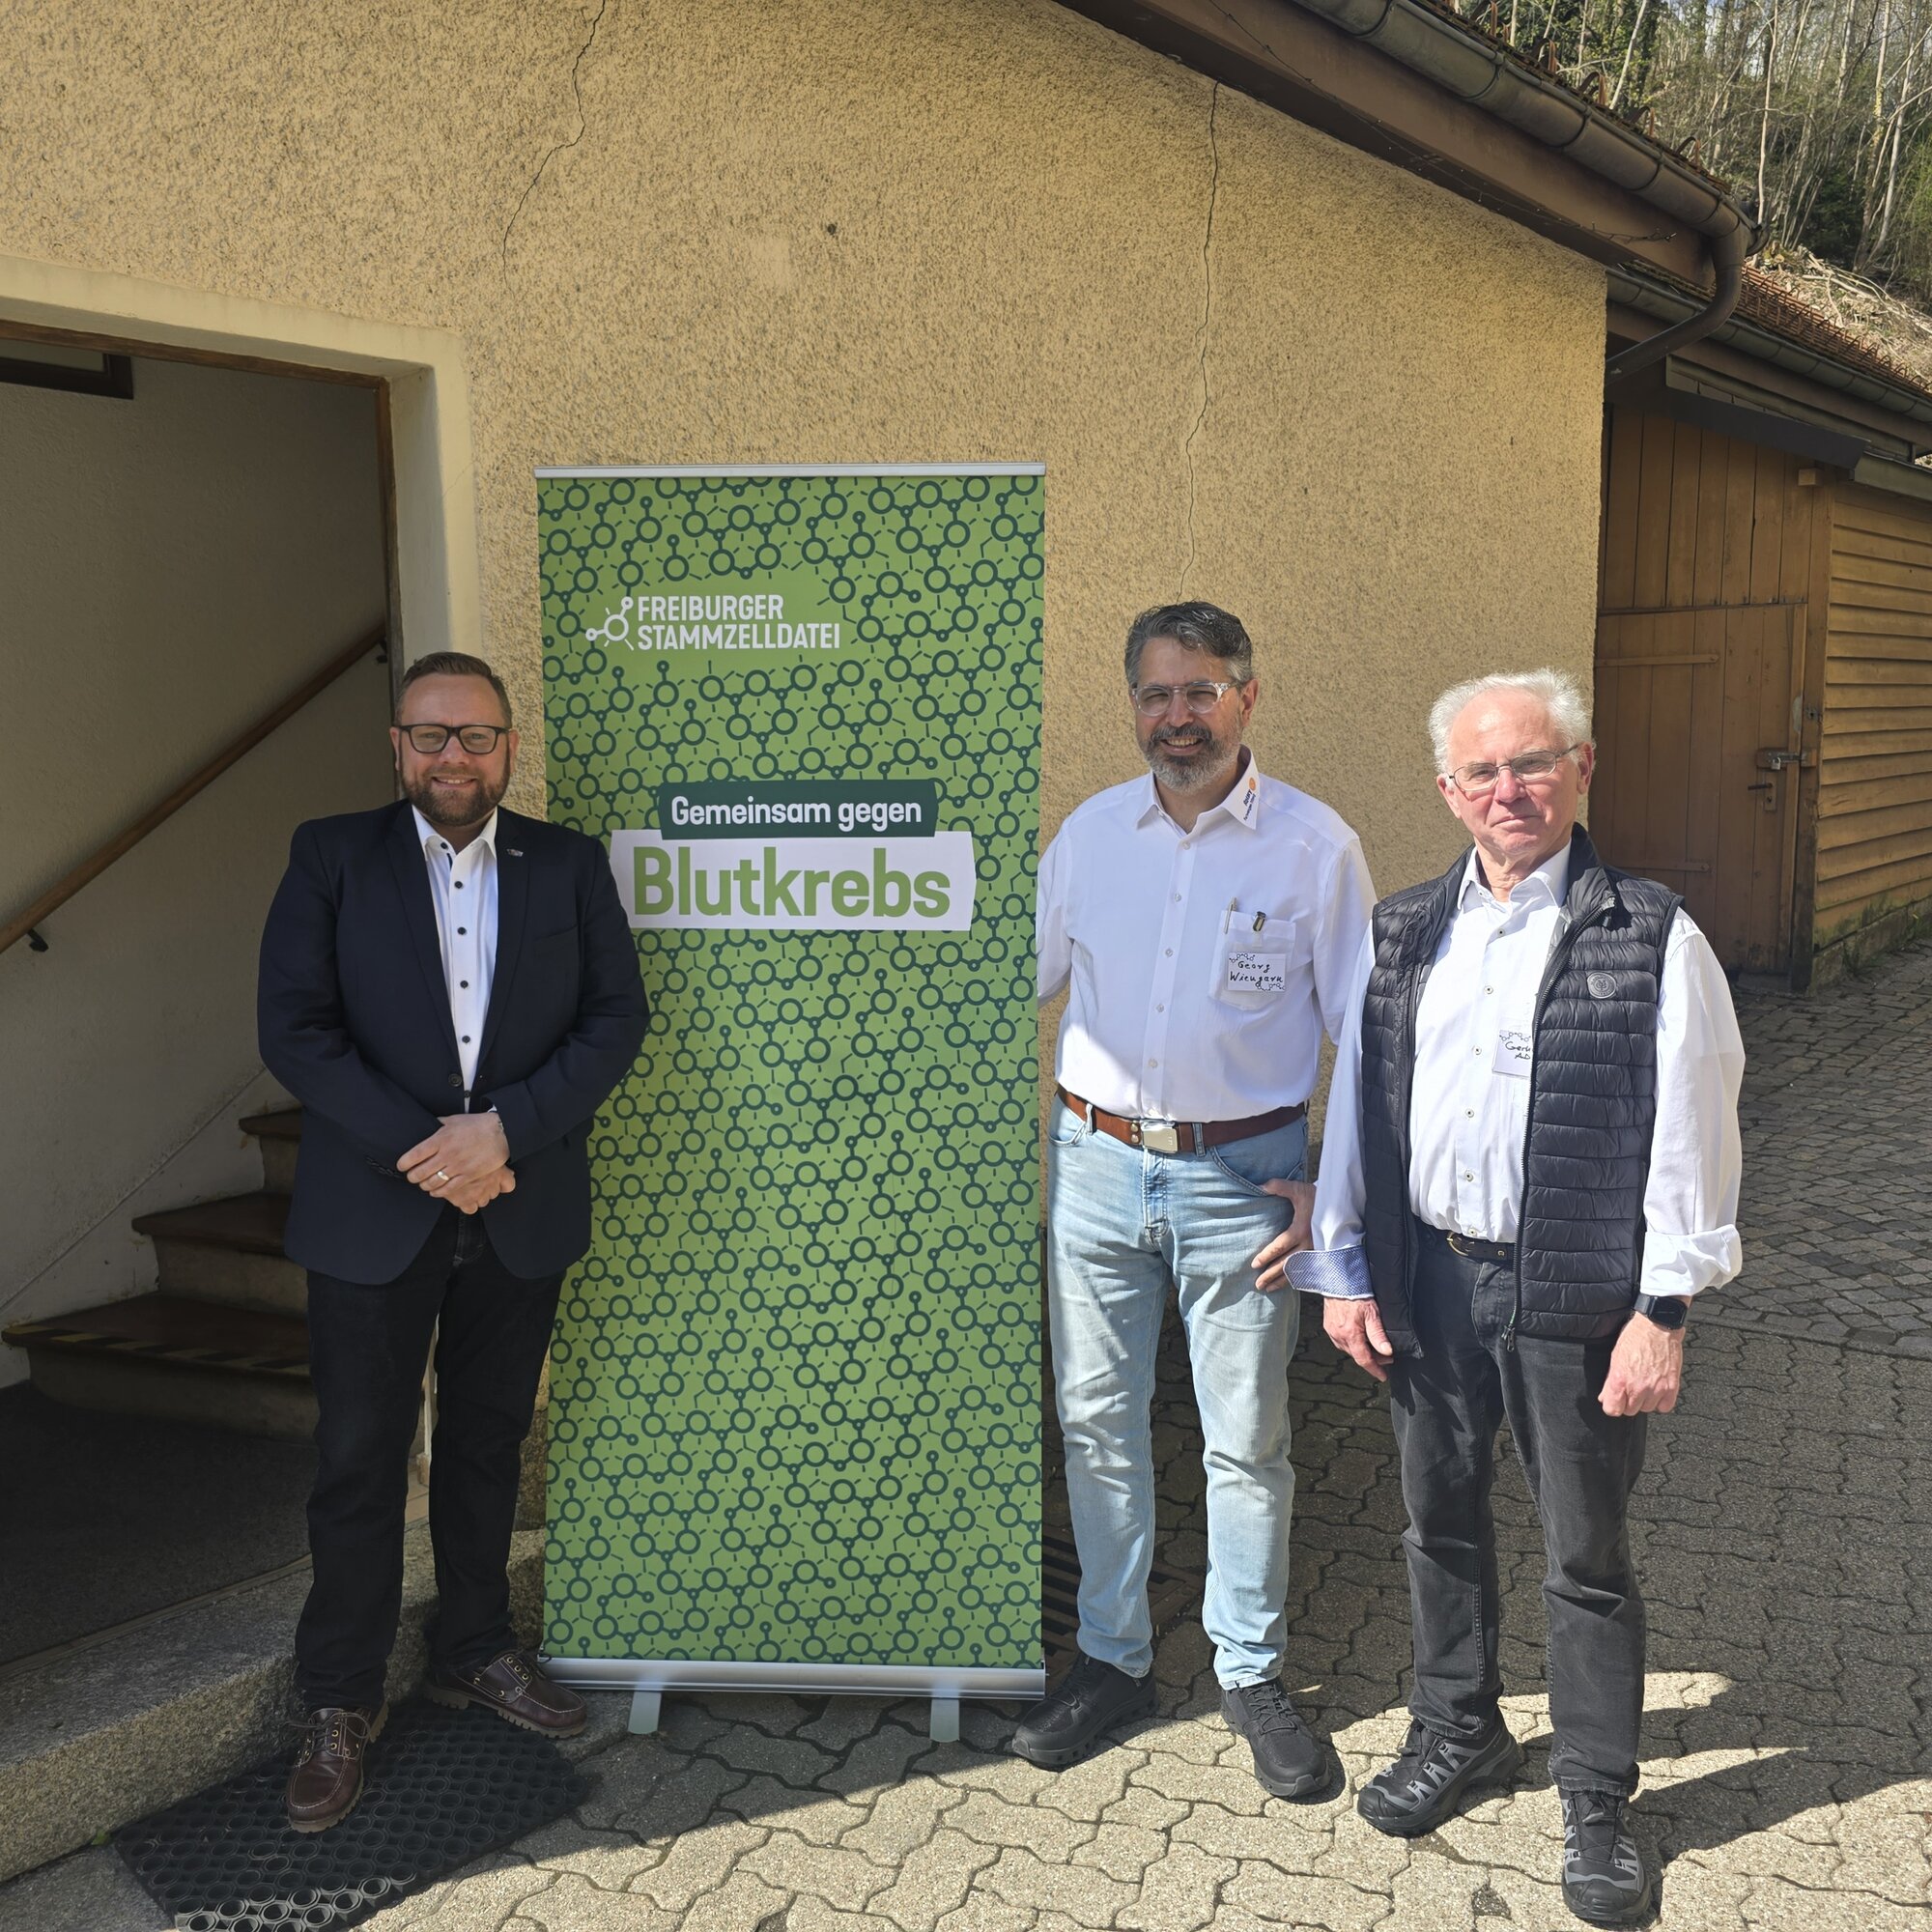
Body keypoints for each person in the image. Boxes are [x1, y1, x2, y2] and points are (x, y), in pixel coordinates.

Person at [1289, 668, 1744, 1925]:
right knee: (1436, 1521)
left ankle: (1596, 1798)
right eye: (1482, 771)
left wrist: (1663, 1309)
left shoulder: (1652, 935)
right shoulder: (1400, 931)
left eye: (1533, 762)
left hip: (1576, 1292)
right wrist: (1341, 1268)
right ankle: (1460, 1729)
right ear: (1447, 790)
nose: (1509, 790)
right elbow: (1360, 1112)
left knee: (1584, 1555)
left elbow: (1694, 1134)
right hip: (1428, 1280)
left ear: (1580, 768)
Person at [258, 651, 648, 1833]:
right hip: (374, 1210)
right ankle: (339, 1694)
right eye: (429, 734)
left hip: (519, 1205)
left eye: (476, 734)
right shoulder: (331, 856)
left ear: (508, 746)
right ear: (396, 745)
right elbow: (296, 1029)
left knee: (486, 1439)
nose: (453, 756)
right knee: (360, 1455)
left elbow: (613, 1017)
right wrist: (432, 1151)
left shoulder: (566, 863)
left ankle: (474, 1645)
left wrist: (504, 1133)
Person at [1023, 601, 1374, 1798]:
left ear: (1245, 696)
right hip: (1094, 1165)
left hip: (1243, 1177)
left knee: (1245, 1436)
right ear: (1132, 705)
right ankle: (1111, 1656)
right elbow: (1017, 981)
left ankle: (1250, 1669)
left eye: (1199, 691)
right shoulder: (1088, 836)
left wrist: (1329, 1193)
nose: (1176, 716)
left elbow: (1362, 1038)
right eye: (1154, 694)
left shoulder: (1314, 848)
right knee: (1093, 1418)